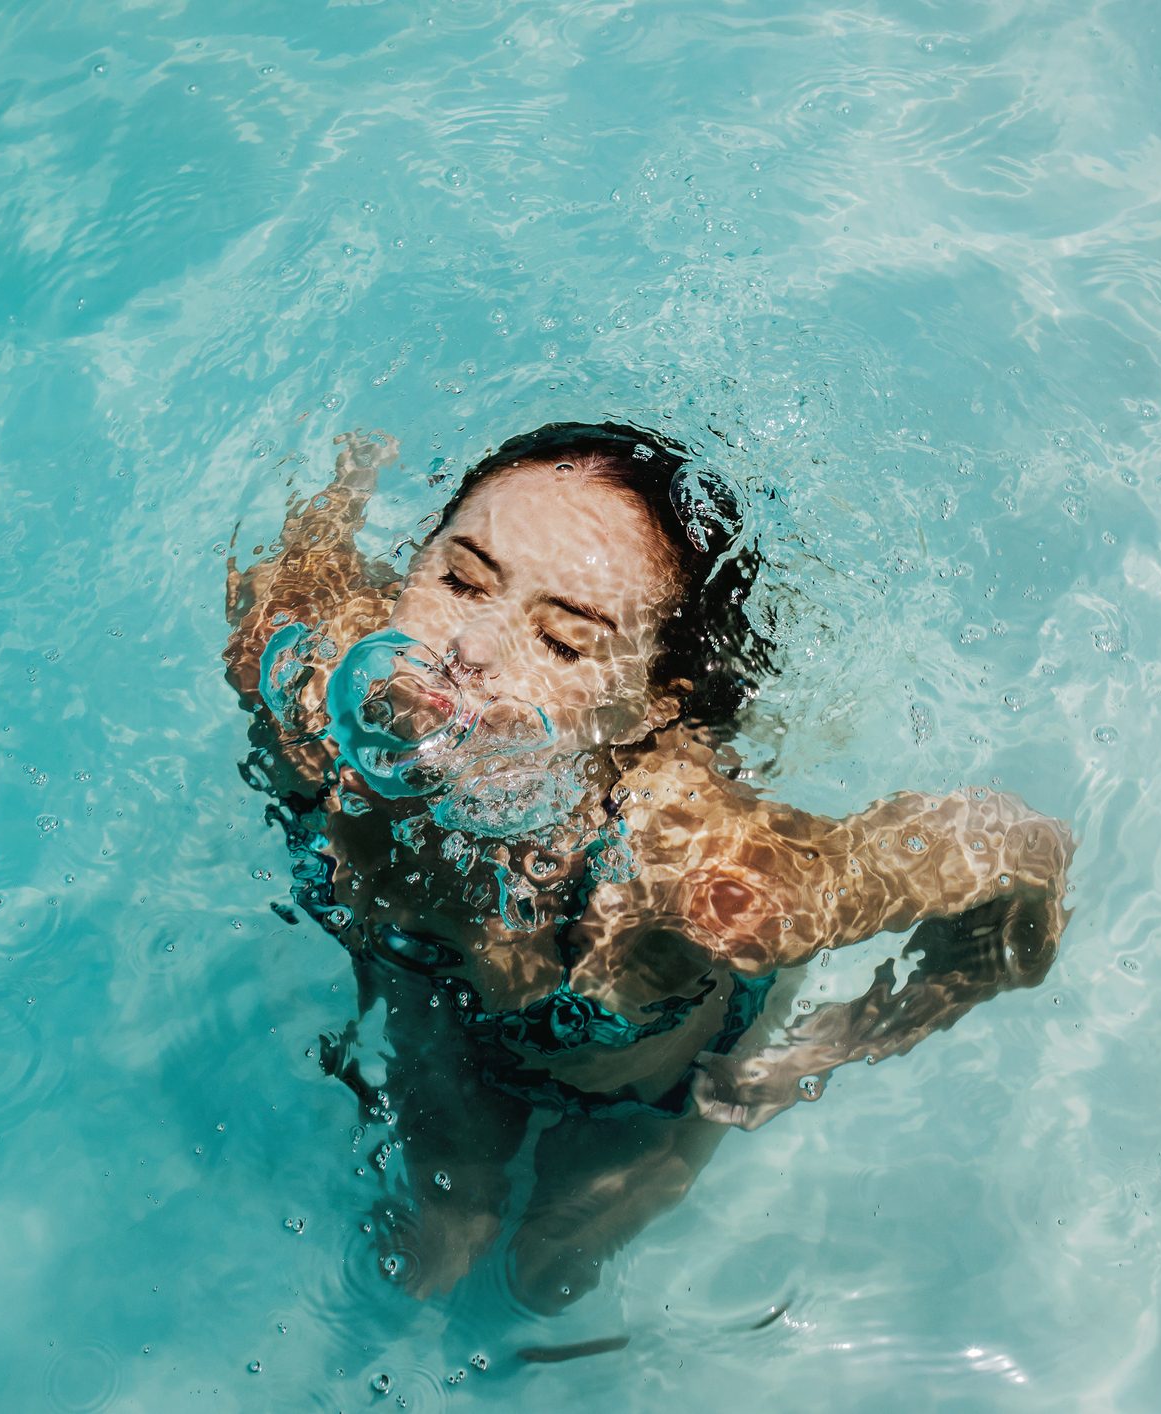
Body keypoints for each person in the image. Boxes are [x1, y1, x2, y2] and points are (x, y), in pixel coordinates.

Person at [223, 422, 1074, 1312]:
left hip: (643, 1079)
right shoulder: (308, 679)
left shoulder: (715, 879)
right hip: (441, 1010)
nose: (466, 652)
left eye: (561, 642)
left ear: (646, 708)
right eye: (461, 578)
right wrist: (351, 472)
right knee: (440, 1247)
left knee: (549, 1279)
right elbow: (298, 562)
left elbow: (1023, 849)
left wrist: (865, 1031)